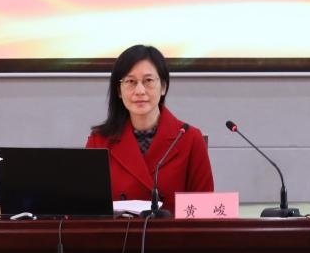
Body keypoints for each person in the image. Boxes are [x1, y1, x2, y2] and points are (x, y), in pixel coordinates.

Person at [85, 44, 214, 212]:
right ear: (119, 91)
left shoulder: (190, 139)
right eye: (130, 82)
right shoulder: (99, 141)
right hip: (120, 230)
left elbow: (205, 213)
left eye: (148, 81)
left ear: (163, 87)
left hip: (172, 230)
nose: (140, 91)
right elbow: (88, 211)